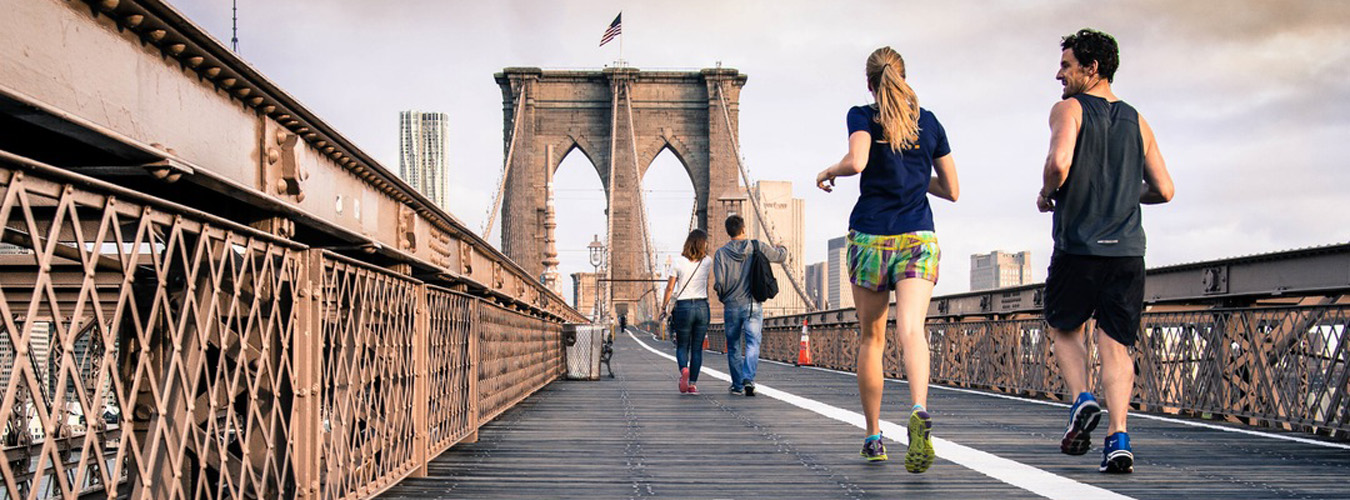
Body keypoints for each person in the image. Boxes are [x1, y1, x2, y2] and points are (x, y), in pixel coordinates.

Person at [815, 46, 959, 472]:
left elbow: (857, 161)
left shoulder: (862, 114)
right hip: (918, 236)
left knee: (871, 339)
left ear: (869, 83)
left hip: (872, 237)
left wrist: (828, 171)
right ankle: (918, 408)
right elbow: (952, 189)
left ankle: (874, 437)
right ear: (903, 76)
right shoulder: (929, 122)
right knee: (912, 329)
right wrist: (916, 177)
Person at [1037, 29, 1174, 474]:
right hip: (1128, 252)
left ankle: (1081, 400)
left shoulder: (1069, 109)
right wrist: (1122, 195)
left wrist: (1047, 193)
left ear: (1090, 69)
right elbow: (1165, 190)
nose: (1059, 74)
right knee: (1116, 346)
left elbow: (1059, 163)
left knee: (1064, 328)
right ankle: (1118, 439)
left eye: (1066, 65)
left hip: (1079, 245)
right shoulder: (1138, 120)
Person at [712, 214, 786, 397]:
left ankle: (737, 385)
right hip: (753, 304)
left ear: (728, 232)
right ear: (743, 229)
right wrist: (782, 246)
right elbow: (780, 257)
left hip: (731, 305)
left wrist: (725, 298)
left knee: (734, 345)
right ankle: (749, 379)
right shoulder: (756, 246)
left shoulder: (720, 254)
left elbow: (719, 283)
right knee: (753, 342)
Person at [660, 230, 713, 394]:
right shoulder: (707, 261)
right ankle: (692, 384)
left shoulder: (678, 262)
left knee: (682, 345)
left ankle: (684, 369)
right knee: (697, 348)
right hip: (702, 307)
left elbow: (670, 288)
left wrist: (663, 308)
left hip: (683, 307)